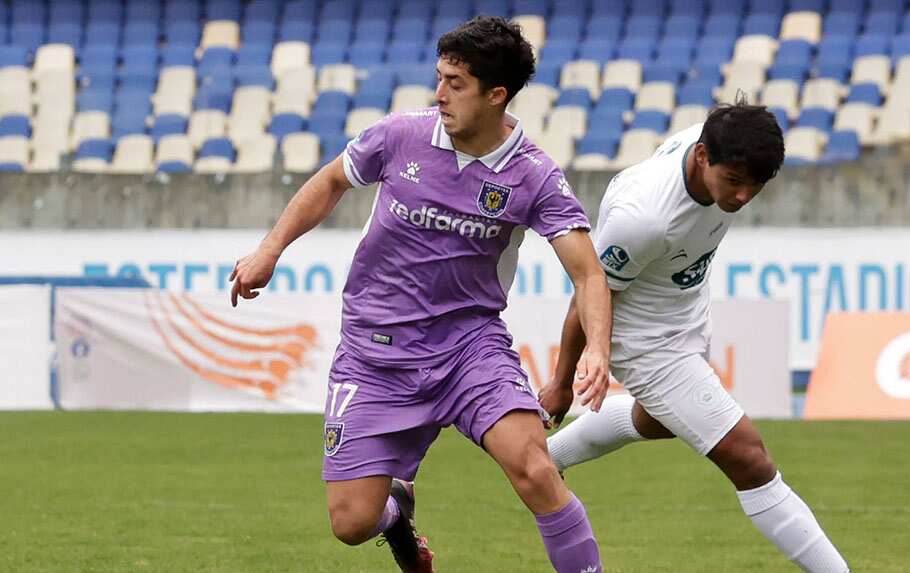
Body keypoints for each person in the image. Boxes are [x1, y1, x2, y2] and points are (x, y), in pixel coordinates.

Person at [230, 16, 612, 573]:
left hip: (467, 349)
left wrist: (597, 348)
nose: (439, 94)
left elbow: (589, 274)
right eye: (439, 78)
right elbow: (332, 180)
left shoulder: (533, 176)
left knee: (535, 469)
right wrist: (270, 249)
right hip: (373, 353)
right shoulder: (400, 134)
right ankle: (395, 516)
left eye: (456, 83)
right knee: (351, 524)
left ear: (495, 95)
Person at [541, 103, 852, 572]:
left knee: (662, 421)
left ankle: (548, 458)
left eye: (757, 186)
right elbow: (591, 291)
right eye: (735, 182)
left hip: (684, 305)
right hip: (645, 338)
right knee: (750, 458)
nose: (744, 197)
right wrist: (564, 380)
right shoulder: (644, 217)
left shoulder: (719, 143)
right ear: (703, 156)